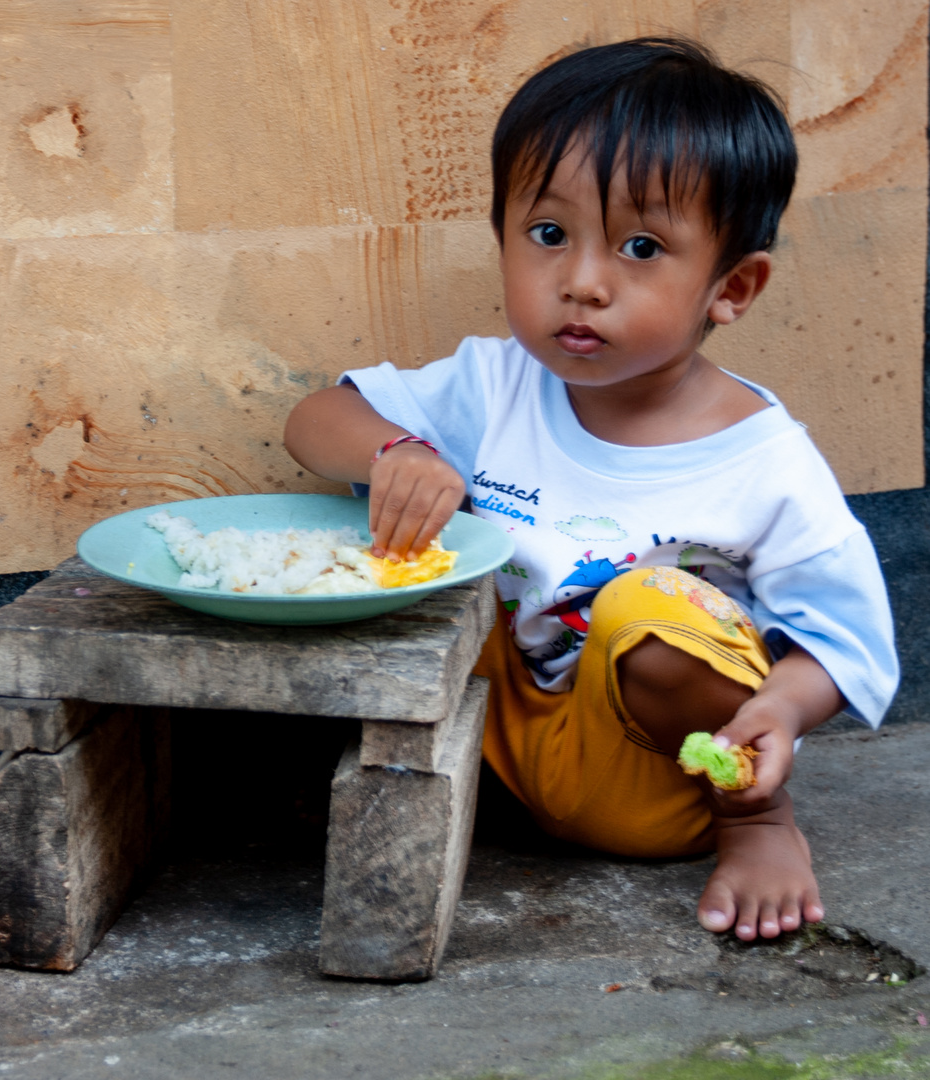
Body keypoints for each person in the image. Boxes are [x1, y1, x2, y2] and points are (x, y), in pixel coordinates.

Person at [283, 38, 898, 941]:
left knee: (648, 606)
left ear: (733, 287)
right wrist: (400, 449)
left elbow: (847, 644)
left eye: (641, 247)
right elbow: (313, 422)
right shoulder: (494, 384)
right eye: (547, 234)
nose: (581, 282)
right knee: (407, 550)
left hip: (654, 782)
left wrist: (778, 709)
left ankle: (758, 829)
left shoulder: (764, 463)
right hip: (481, 743)